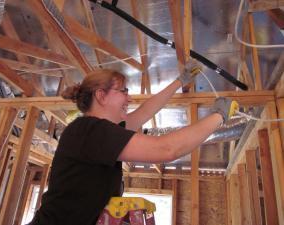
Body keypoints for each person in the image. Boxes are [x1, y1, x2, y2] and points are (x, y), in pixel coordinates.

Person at [29, 60, 234, 225]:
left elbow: (145, 112)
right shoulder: (89, 131)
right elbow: (167, 149)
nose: (129, 98)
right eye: (123, 91)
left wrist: (180, 81)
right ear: (101, 96)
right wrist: (219, 117)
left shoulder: (97, 132)